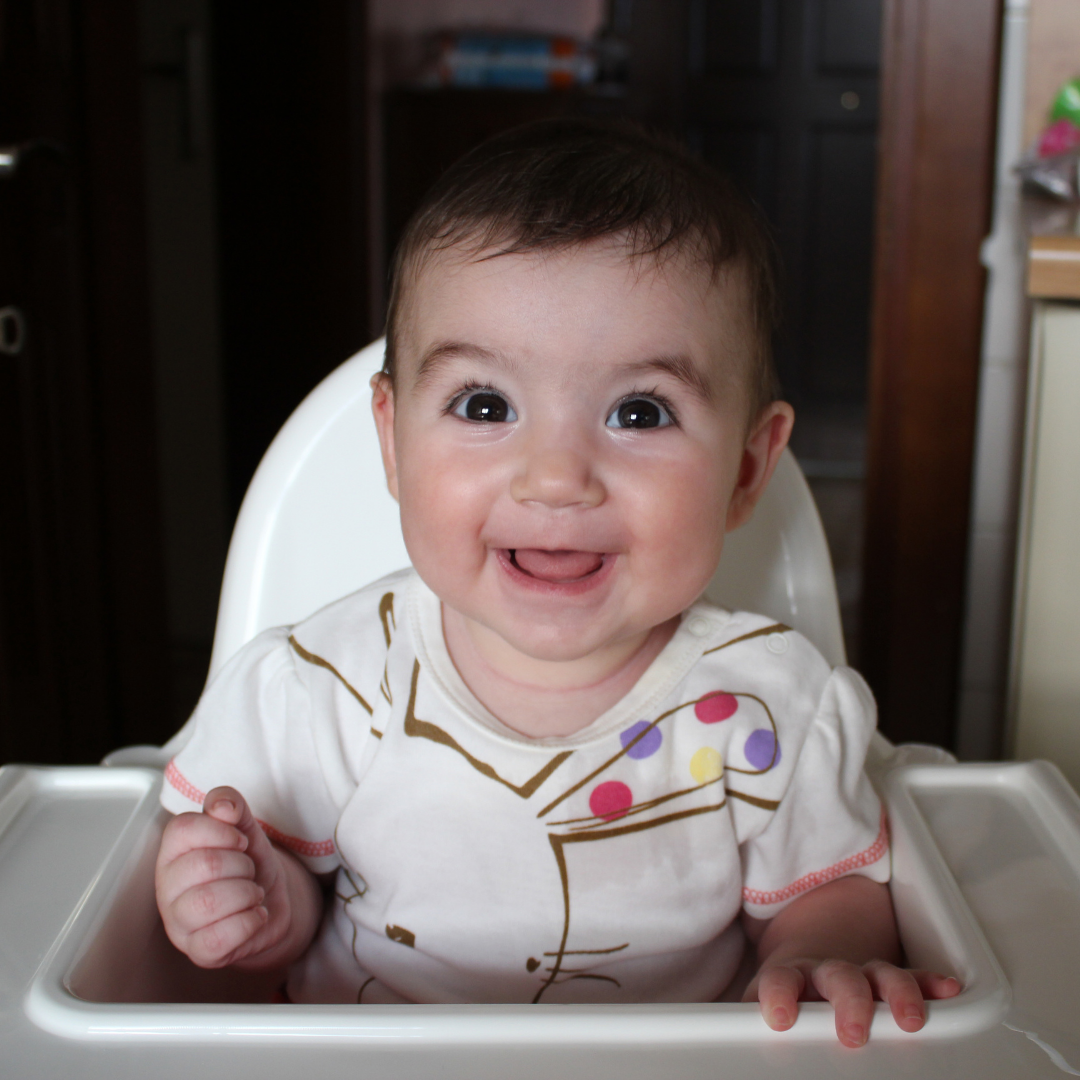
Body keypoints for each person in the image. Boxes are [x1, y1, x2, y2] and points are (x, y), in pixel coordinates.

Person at [154, 119, 960, 1046]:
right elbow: (290, 907)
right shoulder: (324, 684)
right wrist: (250, 906)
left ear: (746, 469)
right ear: (391, 439)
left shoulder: (769, 705)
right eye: (484, 405)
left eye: (639, 411)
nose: (556, 477)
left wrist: (820, 952)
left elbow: (828, 886)